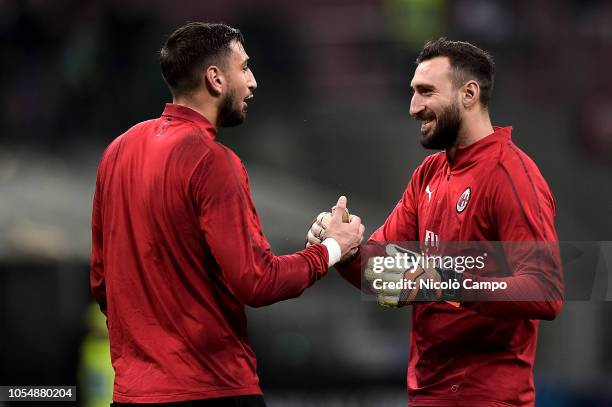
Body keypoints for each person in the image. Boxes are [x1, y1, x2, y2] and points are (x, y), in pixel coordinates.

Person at [90, 22, 364, 407]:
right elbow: (257, 281)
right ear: (215, 79)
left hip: (133, 394)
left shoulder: (117, 152)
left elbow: (103, 284)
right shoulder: (213, 162)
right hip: (212, 389)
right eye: (245, 68)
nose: (252, 82)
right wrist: (333, 248)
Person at [307, 38, 564, 407]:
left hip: (486, 397)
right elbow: (381, 276)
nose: (414, 107)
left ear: (469, 93)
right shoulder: (428, 175)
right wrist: (342, 250)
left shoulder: (512, 175)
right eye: (413, 92)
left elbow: (545, 290)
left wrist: (450, 281)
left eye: (426, 92)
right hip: (428, 394)